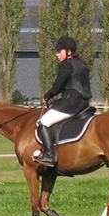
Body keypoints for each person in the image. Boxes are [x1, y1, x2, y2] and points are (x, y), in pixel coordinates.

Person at [33, 35, 92, 167]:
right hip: (83, 104)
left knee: (43, 122)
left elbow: (59, 85)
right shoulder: (82, 63)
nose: (57, 54)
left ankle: (49, 155)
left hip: (71, 104)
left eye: (59, 51)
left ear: (69, 52)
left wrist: (48, 95)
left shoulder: (66, 65)